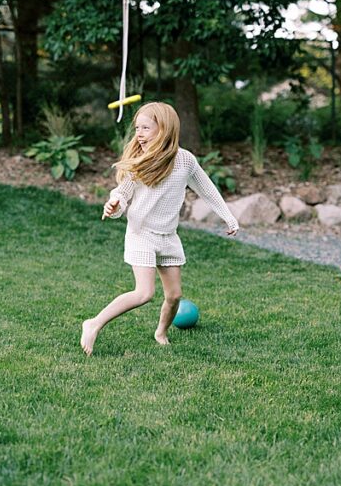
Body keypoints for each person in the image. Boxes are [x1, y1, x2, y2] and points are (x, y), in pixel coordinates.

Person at [80, 102, 238, 356]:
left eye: (146, 128)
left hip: (168, 236)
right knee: (144, 293)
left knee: (174, 295)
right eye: (137, 128)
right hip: (141, 234)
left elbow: (207, 189)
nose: (139, 134)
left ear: (164, 130)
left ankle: (161, 332)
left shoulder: (185, 160)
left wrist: (228, 217)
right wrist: (114, 204)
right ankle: (94, 323)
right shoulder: (140, 161)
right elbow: (122, 192)